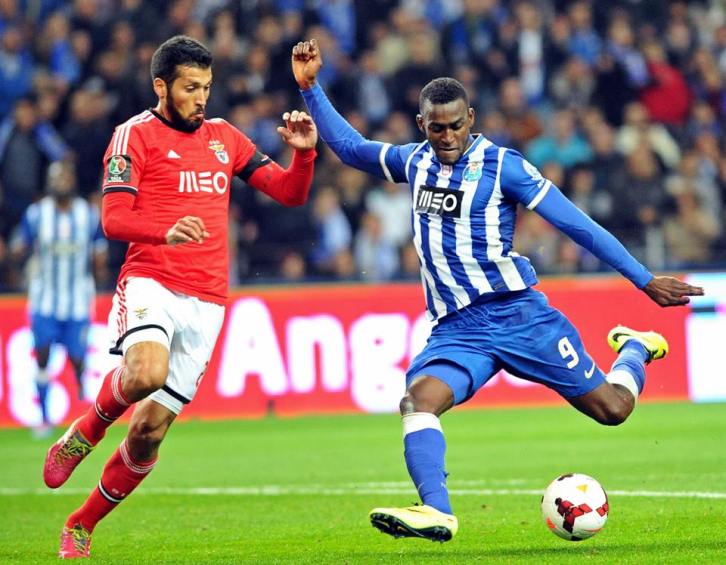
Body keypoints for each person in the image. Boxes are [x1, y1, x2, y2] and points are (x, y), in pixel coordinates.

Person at [291, 39, 704, 542]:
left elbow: (577, 225)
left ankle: (635, 348)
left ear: (472, 118)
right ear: (422, 125)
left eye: (455, 125)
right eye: (436, 128)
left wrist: (644, 279)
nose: (447, 136)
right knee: (418, 402)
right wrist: (310, 88)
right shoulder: (413, 161)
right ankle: (437, 511)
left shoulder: (504, 166)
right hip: (458, 329)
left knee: (613, 410)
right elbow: (351, 149)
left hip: (519, 315)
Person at [43, 35, 318, 559]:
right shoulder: (133, 136)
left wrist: (303, 156)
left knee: (148, 432)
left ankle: (81, 524)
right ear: (161, 86)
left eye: (206, 87)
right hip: (152, 279)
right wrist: (164, 231)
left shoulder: (224, 137)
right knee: (144, 373)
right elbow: (113, 219)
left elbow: (290, 193)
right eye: (191, 88)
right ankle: (86, 431)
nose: (201, 98)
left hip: (208, 299)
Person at [10, 159, 107, 435]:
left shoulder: (88, 214)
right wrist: (16, 256)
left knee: (78, 358)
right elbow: (21, 245)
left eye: (64, 178)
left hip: (77, 301)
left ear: (72, 181)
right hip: (44, 301)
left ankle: (84, 405)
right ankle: (43, 418)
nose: (60, 183)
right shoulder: (36, 214)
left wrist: (100, 271)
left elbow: (99, 250)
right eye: (55, 179)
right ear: (48, 183)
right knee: (42, 357)